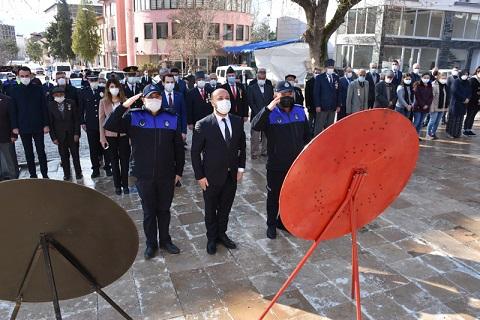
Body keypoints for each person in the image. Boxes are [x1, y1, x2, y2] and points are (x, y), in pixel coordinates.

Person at [104, 85, 185, 258]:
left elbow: (178, 147)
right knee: (149, 212)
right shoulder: (134, 117)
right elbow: (109, 124)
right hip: (143, 173)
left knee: (164, 210)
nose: (155, 99)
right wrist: (125, 105)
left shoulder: (171, 117)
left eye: (158, 96)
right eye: (151, 96)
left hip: (166, 174)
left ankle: (165, 241)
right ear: (143, 99)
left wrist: (179, 171)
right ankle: (151, 244)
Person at [252, 81, 310, 239]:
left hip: (296, 165)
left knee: (291, 197)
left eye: (289, 93)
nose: (287, 97)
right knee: (274, 197)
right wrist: (270, 107)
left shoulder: (299, 111)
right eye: (283, 94)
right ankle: (271, 224)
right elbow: (255, 126)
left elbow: (307, 136)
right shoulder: (270, 113)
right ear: (275, 95)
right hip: (276, 165)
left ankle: (282, 222)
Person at [191, 88, 246, 255]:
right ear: (212, 101)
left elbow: (242, 147)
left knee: (225, 208)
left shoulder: (237, 122)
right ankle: (211, 238)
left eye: (227, 98)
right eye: (220, 98)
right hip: (211, 176)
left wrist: (241, 168)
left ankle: (222, 234)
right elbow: (195, 152)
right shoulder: (203, 124)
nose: (224, 101)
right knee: (210, 209)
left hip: (231, 175)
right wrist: (199, 176)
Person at [10, 66, 49, 179]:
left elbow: (44, 107)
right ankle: (33, 174)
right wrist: (14, 126)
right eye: (22, 76)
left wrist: (46, 124)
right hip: (23, 126)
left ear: (31, 76)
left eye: (27, 76)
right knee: (28, 152)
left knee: (41, 151)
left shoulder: (38, 89)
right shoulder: (14, 90)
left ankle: (45, 173)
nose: (25, 78)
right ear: (18, 76)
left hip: (38, 125)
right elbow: (13, 110)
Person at [99, 78, 130, 195]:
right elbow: (101, 120)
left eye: (115, 86)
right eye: (111, 87)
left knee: (125, 161)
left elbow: (129, 120)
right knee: (114, 162)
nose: (114, 89)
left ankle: (125, 184)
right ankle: (117, 185)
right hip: (110, 137)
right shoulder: (103, 102)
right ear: (108, 88)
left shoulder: (125, 101)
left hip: (123, 136)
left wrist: (131, 137)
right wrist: (102, 137)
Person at [79, 74, 112, 178]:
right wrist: (82, 122)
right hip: (91, 124)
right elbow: (81, 108)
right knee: (93, 148)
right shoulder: (84, 92)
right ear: (88, 80)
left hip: (104, 123)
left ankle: (107, 167)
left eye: (95, 79)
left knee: (106, 146)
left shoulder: (103, 90)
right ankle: (95, 169)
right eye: (91, 80)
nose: (93, 81)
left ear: (98, 80)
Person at [47, 86, 82, 180]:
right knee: (63, 156)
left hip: (72, 134)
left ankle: (78, 172)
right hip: (60, 135)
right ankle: (67, 173)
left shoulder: (71, 103)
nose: (59, 96)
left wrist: (77, 133)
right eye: (57, 95)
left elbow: (76, 120)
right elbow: (50, 123)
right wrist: (53, 137)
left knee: (75, 155)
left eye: (61, 94)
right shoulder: (50, 105)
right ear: (53, 95)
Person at [247, 68, 273, 159]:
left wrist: (267, 111)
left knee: (266, 135)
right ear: (257, 74)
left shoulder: (269, 88)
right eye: (260, 73)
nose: (262, 74)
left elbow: (271, 101)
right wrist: (259, 112)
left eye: (264, 73)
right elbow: (251, 101)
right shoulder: (251, 87)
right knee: (255, 135)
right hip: (256, 115)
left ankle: (264, 151)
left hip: (267, 115)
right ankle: (254, 152)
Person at [313, 59, 339, 135]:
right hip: (322, 106)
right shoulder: (320, 78)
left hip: (332, 106)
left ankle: (328, 141)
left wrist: (338, 105)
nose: (331, 68)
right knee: (319, 126)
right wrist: (317, 105)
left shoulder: (336, 77)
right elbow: (316, 93)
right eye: (329, 67)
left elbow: (338, 92)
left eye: (332, 67)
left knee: (330, 126)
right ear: (326, 68)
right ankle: (316, 142)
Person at [162, 73, 187, 142]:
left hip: (178, 130)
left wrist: (184, 131)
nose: (170, 84)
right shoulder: (159, 97)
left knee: (179, 151)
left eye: (172, 82)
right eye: (167, 82)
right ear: (163, 83)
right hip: (164, 130)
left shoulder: (180, 96)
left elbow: (183, 114)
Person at [447, 70, 472, 138]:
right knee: (453, 119)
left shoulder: (468, 82)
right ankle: (450, 133)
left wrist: (468, 98)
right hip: (455, 103)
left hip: (463, 104)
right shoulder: (456, 81)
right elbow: (454, 91)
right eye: (464, 74)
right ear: (461, 74)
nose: (465, 76)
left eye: (467, 74)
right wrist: (463, 99)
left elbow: (470, 91)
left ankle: (457, 133)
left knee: (460, 119)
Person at [0, 92, 18, 180]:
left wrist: (14, 134)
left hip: (5, 135)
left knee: (9, 158)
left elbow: (13, 117)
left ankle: (13, 178)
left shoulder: (7, 100)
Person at [427, 72, 450, 140]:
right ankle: (428, 134)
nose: (444, 79)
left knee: (437, 122)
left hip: (442, 107)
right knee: (432, 121)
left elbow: (447, 96)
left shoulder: (445, 86)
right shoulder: (434, 85)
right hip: (434, 107)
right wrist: (431, 107)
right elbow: (431, 97)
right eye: (442, 78)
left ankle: (433, 133)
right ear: (438, 78)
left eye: (445, 78)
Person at [412, 73, 433, 139]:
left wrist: (427, 105)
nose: (426, 79)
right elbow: (417, 96)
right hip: (418, 107)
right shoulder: (418, 85)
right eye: (425, 77)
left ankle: (417, 135)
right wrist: (423, 105)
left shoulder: (430, 86)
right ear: (421, 78)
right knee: (416, 122)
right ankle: (411, 135)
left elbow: (431, 97)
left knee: (421, 123)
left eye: (428, 78)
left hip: (426, 108)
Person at [463, 66, 480, 136]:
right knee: (469, 115)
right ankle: (465, 130)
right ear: (478, 72)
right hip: (472, 102)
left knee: (473, 116)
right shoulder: (472, 80)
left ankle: (469, 129)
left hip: (478, 103)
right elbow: (470, 92)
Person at [305, 68, 320, 134]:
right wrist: (307, 105)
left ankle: (315, 133)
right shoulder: (309, 82)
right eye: (316, 72)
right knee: (310, 120)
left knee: (318, 120)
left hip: (319, 105)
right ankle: (309, 133)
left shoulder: (321, 81)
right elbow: (307, 95)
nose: (317, 74)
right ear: (313, 73)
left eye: (318, 73)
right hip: (311, 105)